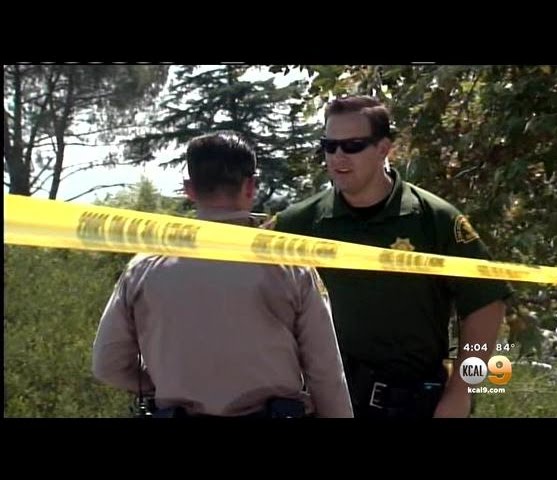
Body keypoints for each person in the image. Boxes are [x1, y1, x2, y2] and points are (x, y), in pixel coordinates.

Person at [270, 96, 512, 418]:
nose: (338, 156)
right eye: (329, 146)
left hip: (417, 405)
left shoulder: (434, 219)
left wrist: (462, 392)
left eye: (353, 146)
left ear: (383, 149)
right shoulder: (297, 224)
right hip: (326, 405)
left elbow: (487, 305)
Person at [92, 131, 353, 418]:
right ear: (250, 186)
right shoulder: (290, 265)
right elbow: (326, 374)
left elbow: (107, 365)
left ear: (189, 189)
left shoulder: (143, 268)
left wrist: (164, 381)